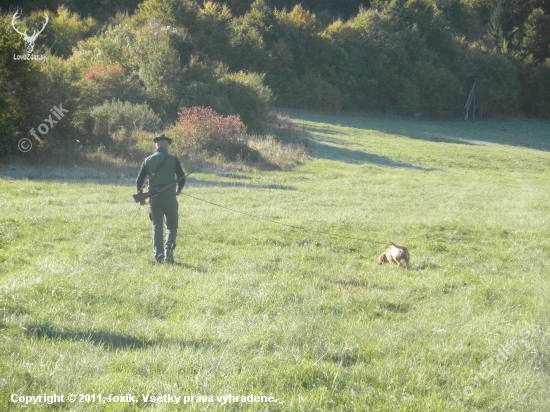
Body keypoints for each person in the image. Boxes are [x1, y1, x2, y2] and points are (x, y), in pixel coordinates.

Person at [136, 134, 185, 263]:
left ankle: (158, 257)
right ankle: (169, 249)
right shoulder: (173, 159)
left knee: (156, 227)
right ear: (166, 145)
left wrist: (141, 196)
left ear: (155, 146)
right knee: (172, 225)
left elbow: (139, 180)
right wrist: (178, 190)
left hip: (154, 199)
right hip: (170, 198)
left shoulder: (147, 160)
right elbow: (182, 177)